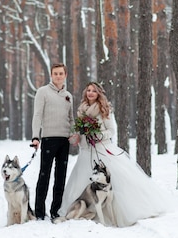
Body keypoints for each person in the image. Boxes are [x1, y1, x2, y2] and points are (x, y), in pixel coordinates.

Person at [59, 82, 171, 227]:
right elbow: (81, 132)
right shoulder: (81, 109)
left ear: (99, 93)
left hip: (102, 149)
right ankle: (84, 211)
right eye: (88, 90)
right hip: (86, 152)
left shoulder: (104, 109)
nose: (91, 93)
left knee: (117, 181)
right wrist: (77, 138)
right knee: (81, 183)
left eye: (94, 91)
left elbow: (111, 131)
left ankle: (116, 213)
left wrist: (98, 135)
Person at [31, 63, 75, 220]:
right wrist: (36, 137)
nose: (58, 76)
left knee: (60, 177)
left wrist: (73, 134)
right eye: (55, 73)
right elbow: (37, 115)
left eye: (61, 73)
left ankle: (56, 210)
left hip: (64, 141)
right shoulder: (42, 92)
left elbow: (71, 119)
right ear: (51, 75)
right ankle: (39, 212)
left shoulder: (68, 95)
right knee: (44, 175)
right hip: (49, 139)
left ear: (65, 75)